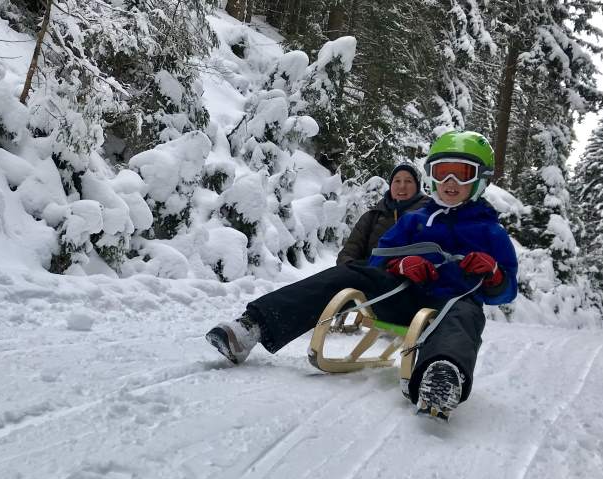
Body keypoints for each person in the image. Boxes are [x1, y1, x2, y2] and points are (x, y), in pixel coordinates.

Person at [205, 131, 518, 418]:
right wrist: (402, 263)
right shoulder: (415, 221)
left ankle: (441, 377)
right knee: (351, 272)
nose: (450, 180)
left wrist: (492, 273)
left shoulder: (491, 232)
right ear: (432, 176)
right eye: (441, 171)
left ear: (480, 180)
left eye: (462, 173)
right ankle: (253, 326)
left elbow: (505, 292)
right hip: (402, 294)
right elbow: (379, 258)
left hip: (448, 306)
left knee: (467, 314)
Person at [336, 163, 428, 265]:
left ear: (417, 187)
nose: (402, 186)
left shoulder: (429, 215)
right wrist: (358, 272)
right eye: (397, 181)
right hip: (369, 276)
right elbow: (347, 253)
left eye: (408, 181)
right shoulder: (372, 217)